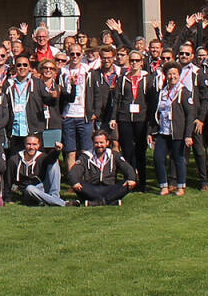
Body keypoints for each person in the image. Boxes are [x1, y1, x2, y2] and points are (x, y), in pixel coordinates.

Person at [150, 62, 198, 196]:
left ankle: (181, 187)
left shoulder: (184, 92)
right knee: (158, 158)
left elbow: (190, 115)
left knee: (178, 158)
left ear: (179, 75)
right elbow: (155, 113)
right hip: (163, 131)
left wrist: (188, 135)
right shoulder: (162, 92)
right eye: (169, 74)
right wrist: (151, 131)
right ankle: (163, 185)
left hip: (178, 132)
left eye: (174, 74)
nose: (172, 77)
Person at [109, 52, 153, 192]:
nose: (134, 63)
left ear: (141, 62)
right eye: (132, 60)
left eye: (137, 60)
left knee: (140, 150)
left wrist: (151, 121)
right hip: (125, 117)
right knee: (127, 151)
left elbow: (151, 101)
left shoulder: (147, 78)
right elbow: (117, 100)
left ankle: (143, 182)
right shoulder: (122, 79)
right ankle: (130, 179)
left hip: (141, 118)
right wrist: (113, 117)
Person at [69, 130, 137, 206]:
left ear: (107, 143)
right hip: (92, 189)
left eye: (101, 142)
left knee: (127, 184)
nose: (99, 145)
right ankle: (111, 201)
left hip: (110, 188)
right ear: (93, 143)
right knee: (78, 184)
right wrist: (75, 182)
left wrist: (131, 178)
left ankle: (96, 202)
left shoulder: (114, 155)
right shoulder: (85, 156)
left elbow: (127, 167)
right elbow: (75, 170)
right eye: (96, 143)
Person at [10, 135, 66, 205]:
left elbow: (51, 159)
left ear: (38, 145)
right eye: (29, 144)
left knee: (54, 164)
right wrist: (7, 198)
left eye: (34, 144)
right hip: (28, 191)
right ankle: (62, 203)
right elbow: (8, 179)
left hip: (42, 187)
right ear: (24, 144)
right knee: (30, 189)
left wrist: (57, 151)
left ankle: (54, 197)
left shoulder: (42, 156)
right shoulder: (14, 159)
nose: (31, 147)